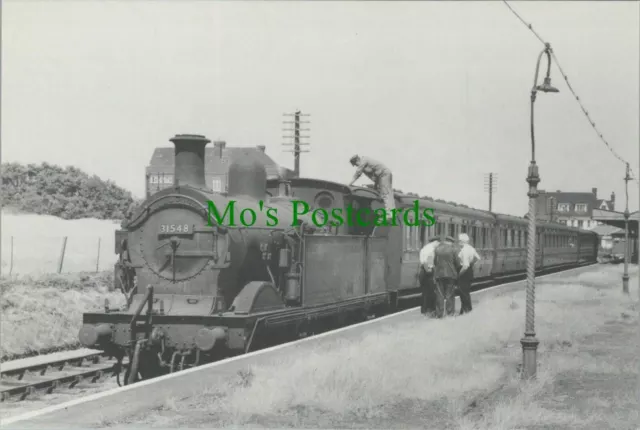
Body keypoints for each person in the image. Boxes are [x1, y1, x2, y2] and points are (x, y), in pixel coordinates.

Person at [348, 155, 395, 221]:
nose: (356, 166)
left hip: (384, 174)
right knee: (384, 193)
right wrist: (375, 187)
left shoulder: (364, 160)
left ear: (357, 160)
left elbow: (357, 173)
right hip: (381, 176)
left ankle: (390, 214)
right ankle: (387, 213)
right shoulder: (366, 166)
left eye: (356, 164)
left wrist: (349, 184)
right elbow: (375, 177)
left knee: (386, 193)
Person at [432, 236, 462, 318]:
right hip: (450, 275)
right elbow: (458, 263)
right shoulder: (454, 249)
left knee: (439, 295)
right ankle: (450, 313)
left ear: (445, 241)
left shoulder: (437, 249)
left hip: (439, 275)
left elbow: (434, 262)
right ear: (451, 242)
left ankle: (439, 314)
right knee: (450, 294)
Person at [457, 233, 481, 315]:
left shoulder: (464, 250)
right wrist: (472, 264)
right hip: (470, 271)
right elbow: (478, 258)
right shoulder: (471, 248)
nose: (458, 242)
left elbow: (465, 266)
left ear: (461, 241)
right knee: (466, 291)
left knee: (463, 292)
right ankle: (464, 310)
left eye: (459, 241)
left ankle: (467, 310)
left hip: (464, 272)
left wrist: (459, 274)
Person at [418, 237, 440, 316]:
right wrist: (429, 271)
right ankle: (430, 310)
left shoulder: (424, 248)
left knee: (425, 292)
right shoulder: (431, 250)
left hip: (423, 271)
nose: (438, 245)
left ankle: (424, 310)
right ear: (435, 242)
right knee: (431, 292)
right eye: (438, 243)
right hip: (428, 271)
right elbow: (426, 262)